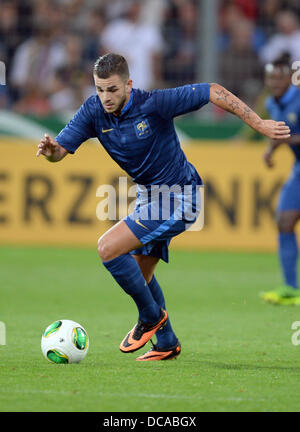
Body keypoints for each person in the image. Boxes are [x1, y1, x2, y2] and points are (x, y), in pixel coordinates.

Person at [36, 53, 290, 360]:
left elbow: (211, 90)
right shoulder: (93, 110)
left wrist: (259, 123)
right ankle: (167, 342)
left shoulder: (153, 104)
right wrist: (51, 152)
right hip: (149, 197)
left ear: (128, 84)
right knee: (140, 274)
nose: (105, 97)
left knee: (108, 248)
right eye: (100, 89)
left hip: (181, 195)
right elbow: (60, 150)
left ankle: (151, 318)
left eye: (113, 89)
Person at [260, 56, 300, 305]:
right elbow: (282, 132)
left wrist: (281, 143)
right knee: (284, 220)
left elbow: (288, 136)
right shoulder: (272, 104)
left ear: (290, 77)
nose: (274, 81)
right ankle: (291, 288)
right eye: (271, 77)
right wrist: (271, 150)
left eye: (279, 76)